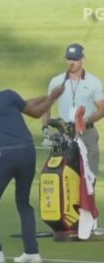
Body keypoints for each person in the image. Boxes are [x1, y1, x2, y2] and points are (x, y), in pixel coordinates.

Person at [0, 78, 64, 263]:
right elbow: (33, 110)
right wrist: (51, 97)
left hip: (5, 155)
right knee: (23, 202)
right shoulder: (9, 95)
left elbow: (33, 108)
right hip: (28, 153)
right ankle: (31, 252)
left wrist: (50, 97)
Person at [42, 43, 104, 177]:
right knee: (65, 174)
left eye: (75, 59)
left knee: (89, 176)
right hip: (64, 132)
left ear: (82, 59)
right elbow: (47, 105)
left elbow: (102, 109)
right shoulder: (56, 81)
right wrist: (45, 127)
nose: (72, 62)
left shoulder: (94, 82)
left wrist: (86, 120)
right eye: (69, 59)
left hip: (87, 131)